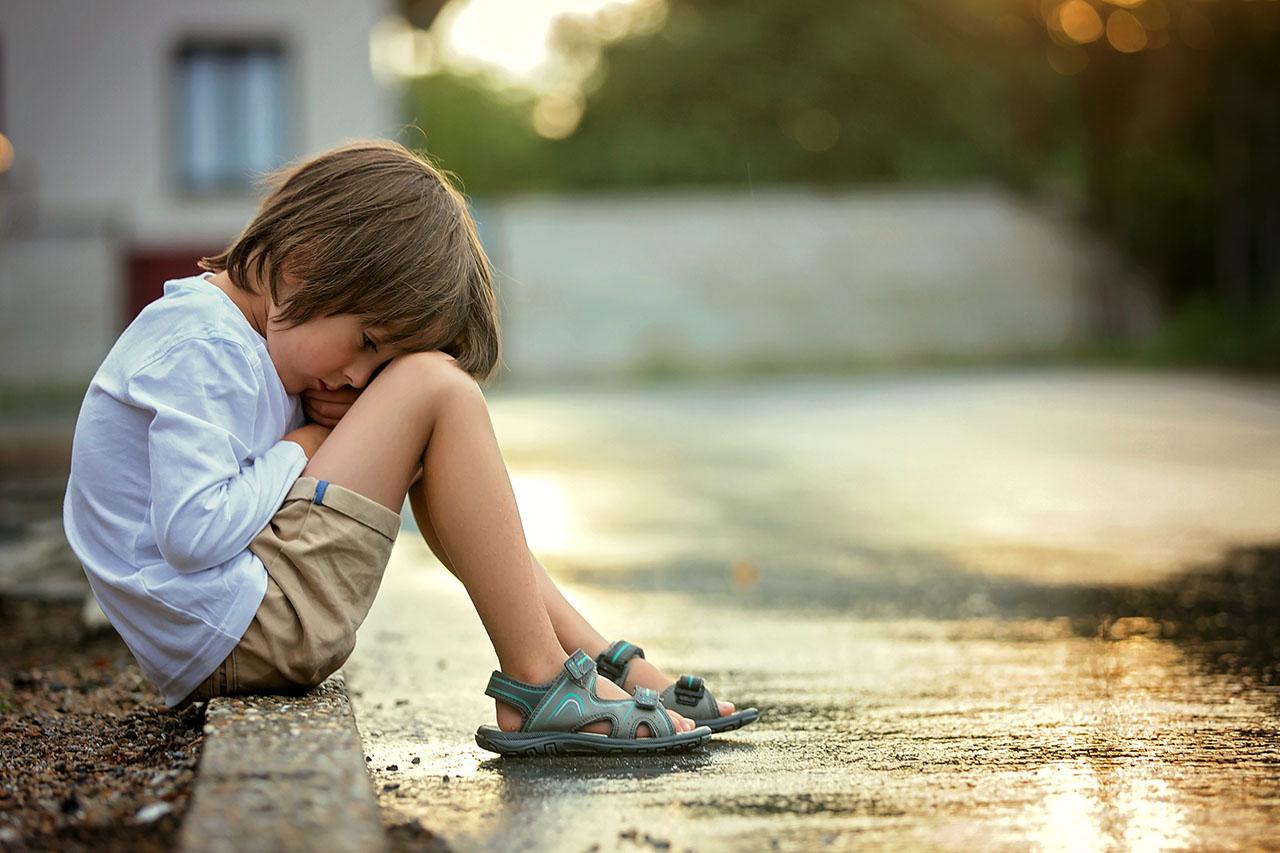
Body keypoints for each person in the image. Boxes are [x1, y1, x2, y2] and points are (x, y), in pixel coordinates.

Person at [62, 140, 750, 756]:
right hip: (244, 629)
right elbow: (190, 531)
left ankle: (599, 660)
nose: (359, 374)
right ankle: (541, 679)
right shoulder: (202, 344)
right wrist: (305, 440)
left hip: (239, 628)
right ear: (301, 265)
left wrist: (320, 421)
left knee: (430, 398)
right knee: (436, 388)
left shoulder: (245, 342)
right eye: (367, 341)